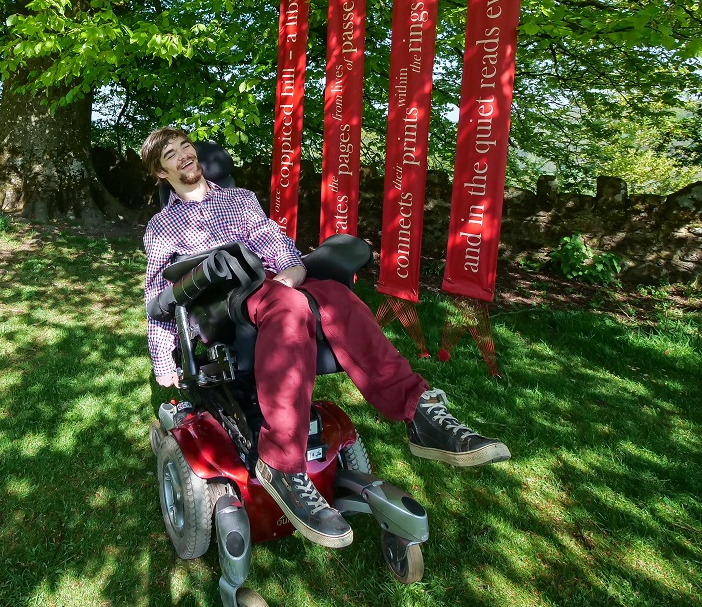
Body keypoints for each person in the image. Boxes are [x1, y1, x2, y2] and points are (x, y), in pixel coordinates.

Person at [142, 127, 510, 549]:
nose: (184, 155)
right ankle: (281, 461)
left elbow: (279, 248)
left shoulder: (240, 201)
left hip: (273, 287)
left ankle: (419, 413)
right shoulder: (162, 226)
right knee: (291, 307)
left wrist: (293, 274)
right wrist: (165, 359)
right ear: (161, 172)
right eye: (171, 154)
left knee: (335, 294)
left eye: (186, 146)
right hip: (219, 305)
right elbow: (157, 297)